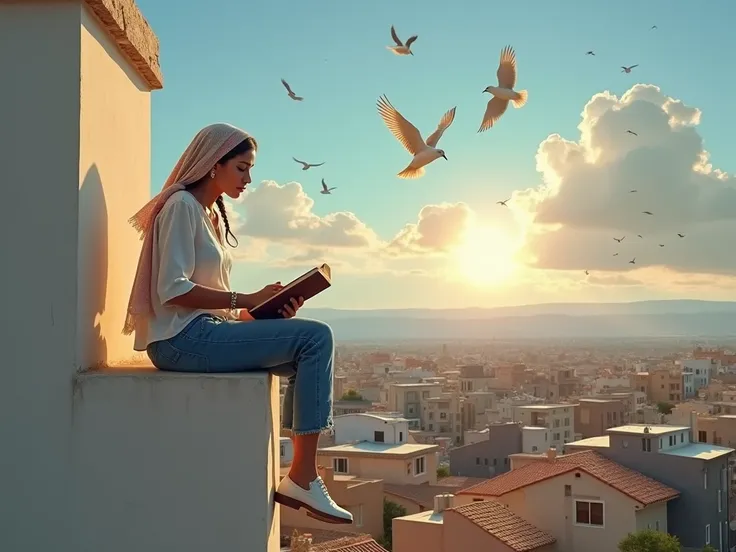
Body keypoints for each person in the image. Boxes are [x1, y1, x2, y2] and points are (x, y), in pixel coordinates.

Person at [123, 122, 352, 525]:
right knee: (317, 338)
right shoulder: (180, 207)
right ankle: (302, 476)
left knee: (307, 349)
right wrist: (244, 298)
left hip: (202, 332)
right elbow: (172, 290)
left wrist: (258, 312)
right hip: (181, 340)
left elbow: (213, 302)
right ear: (215, 164)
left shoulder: (208, 213)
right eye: (242, 168)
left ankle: (300, 474)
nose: (249, 179)